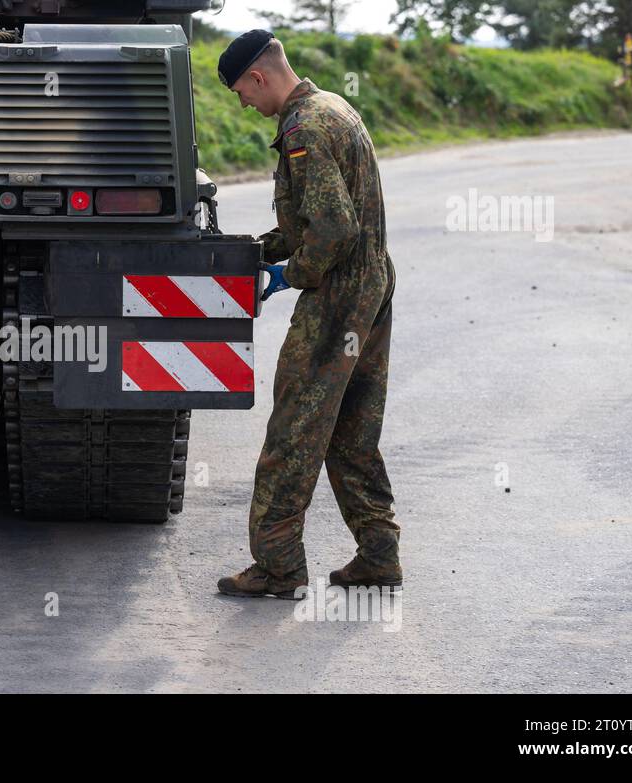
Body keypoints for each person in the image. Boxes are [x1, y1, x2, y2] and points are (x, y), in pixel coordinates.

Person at [214, 30, 403, 599]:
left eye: (242, 93)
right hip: (372, 286)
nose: (244, 105)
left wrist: (287, 275)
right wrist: (257, 250)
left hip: (339, 296)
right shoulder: (334, 108)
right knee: (351, 429)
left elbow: (333, 230)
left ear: (259, 77)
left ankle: (277, 567)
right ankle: (378, 554)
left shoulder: (303, 131)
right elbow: (315, 223)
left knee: (294, 429)